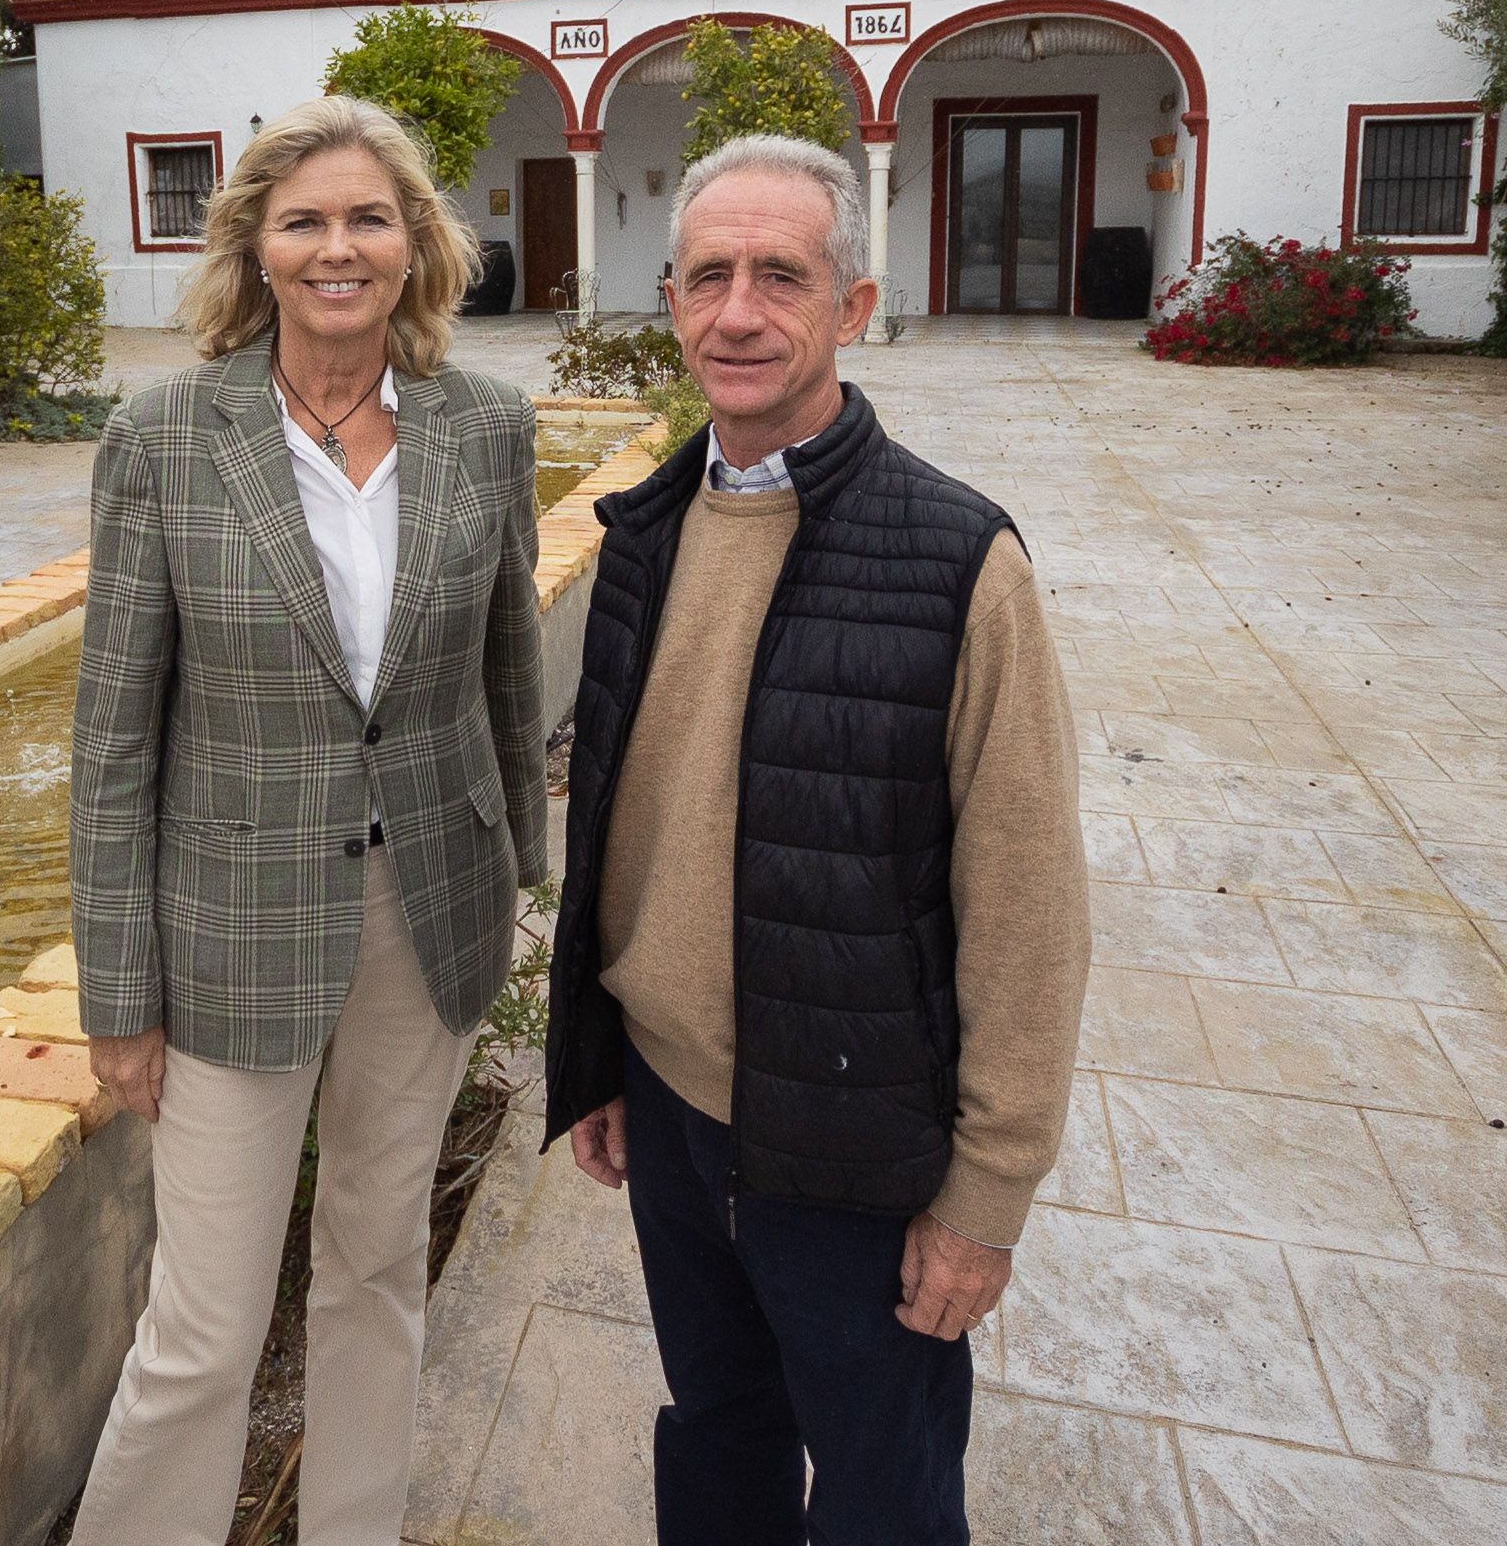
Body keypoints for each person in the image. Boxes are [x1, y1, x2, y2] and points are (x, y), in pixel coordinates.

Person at [543, 134, 1089, 1545]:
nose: (738, 311)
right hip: (670, 1117)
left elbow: (1027, 903)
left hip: (853, 1151)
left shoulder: (958, 560)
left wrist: (986, 1193)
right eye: (708, 275)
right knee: (716, 1438)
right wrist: (600, 1056)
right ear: (667, 300)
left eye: (780, 275)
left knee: (882, 1493)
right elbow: (623, 823)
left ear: (849, 306)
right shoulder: (646, 532)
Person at [69, 97, 545, 1546]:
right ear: (256, 251)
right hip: (226, 940)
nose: (338, 246)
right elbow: (110, 738)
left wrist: (527, 883)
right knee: (203, 1327)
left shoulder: (485, 424)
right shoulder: (164, 434)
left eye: (369, 217)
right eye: (303, 221)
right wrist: (116, 994)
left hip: (433, 913)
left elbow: (507, 684)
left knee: (376, 1270)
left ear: (415, 248)